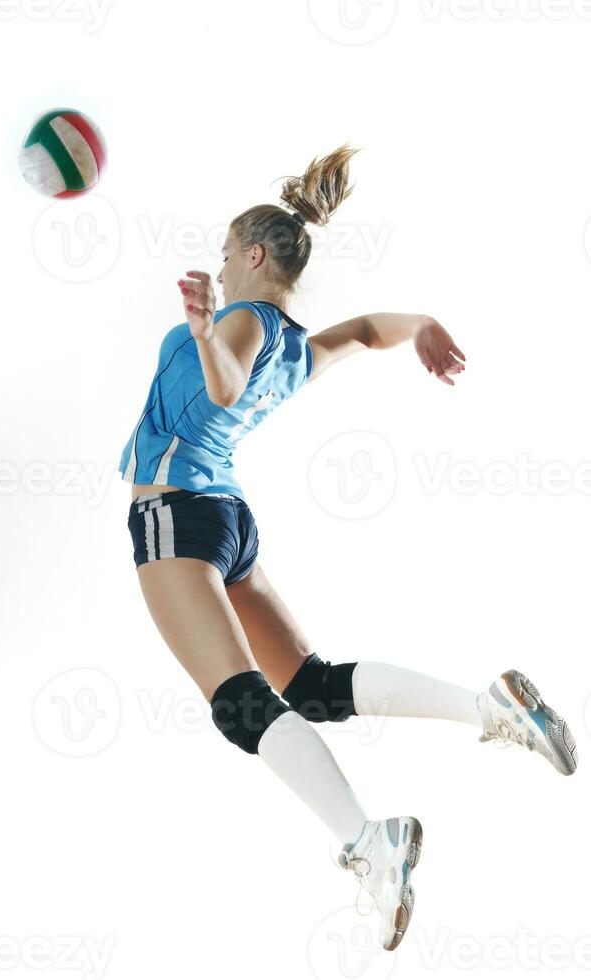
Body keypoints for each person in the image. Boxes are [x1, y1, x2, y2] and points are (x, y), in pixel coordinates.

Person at [118, 145, 577, 952]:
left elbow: (225, 380)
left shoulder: (239, 322)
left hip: (176, 515)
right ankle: (489, 709)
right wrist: (423, 326)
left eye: (228, 257)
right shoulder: (296, 346)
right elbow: (365, 333)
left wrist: (200, 328)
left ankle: (371, 843)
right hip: (229, 521)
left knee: (240, 704)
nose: (222, 271)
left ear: (255, 255)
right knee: (313, 686)